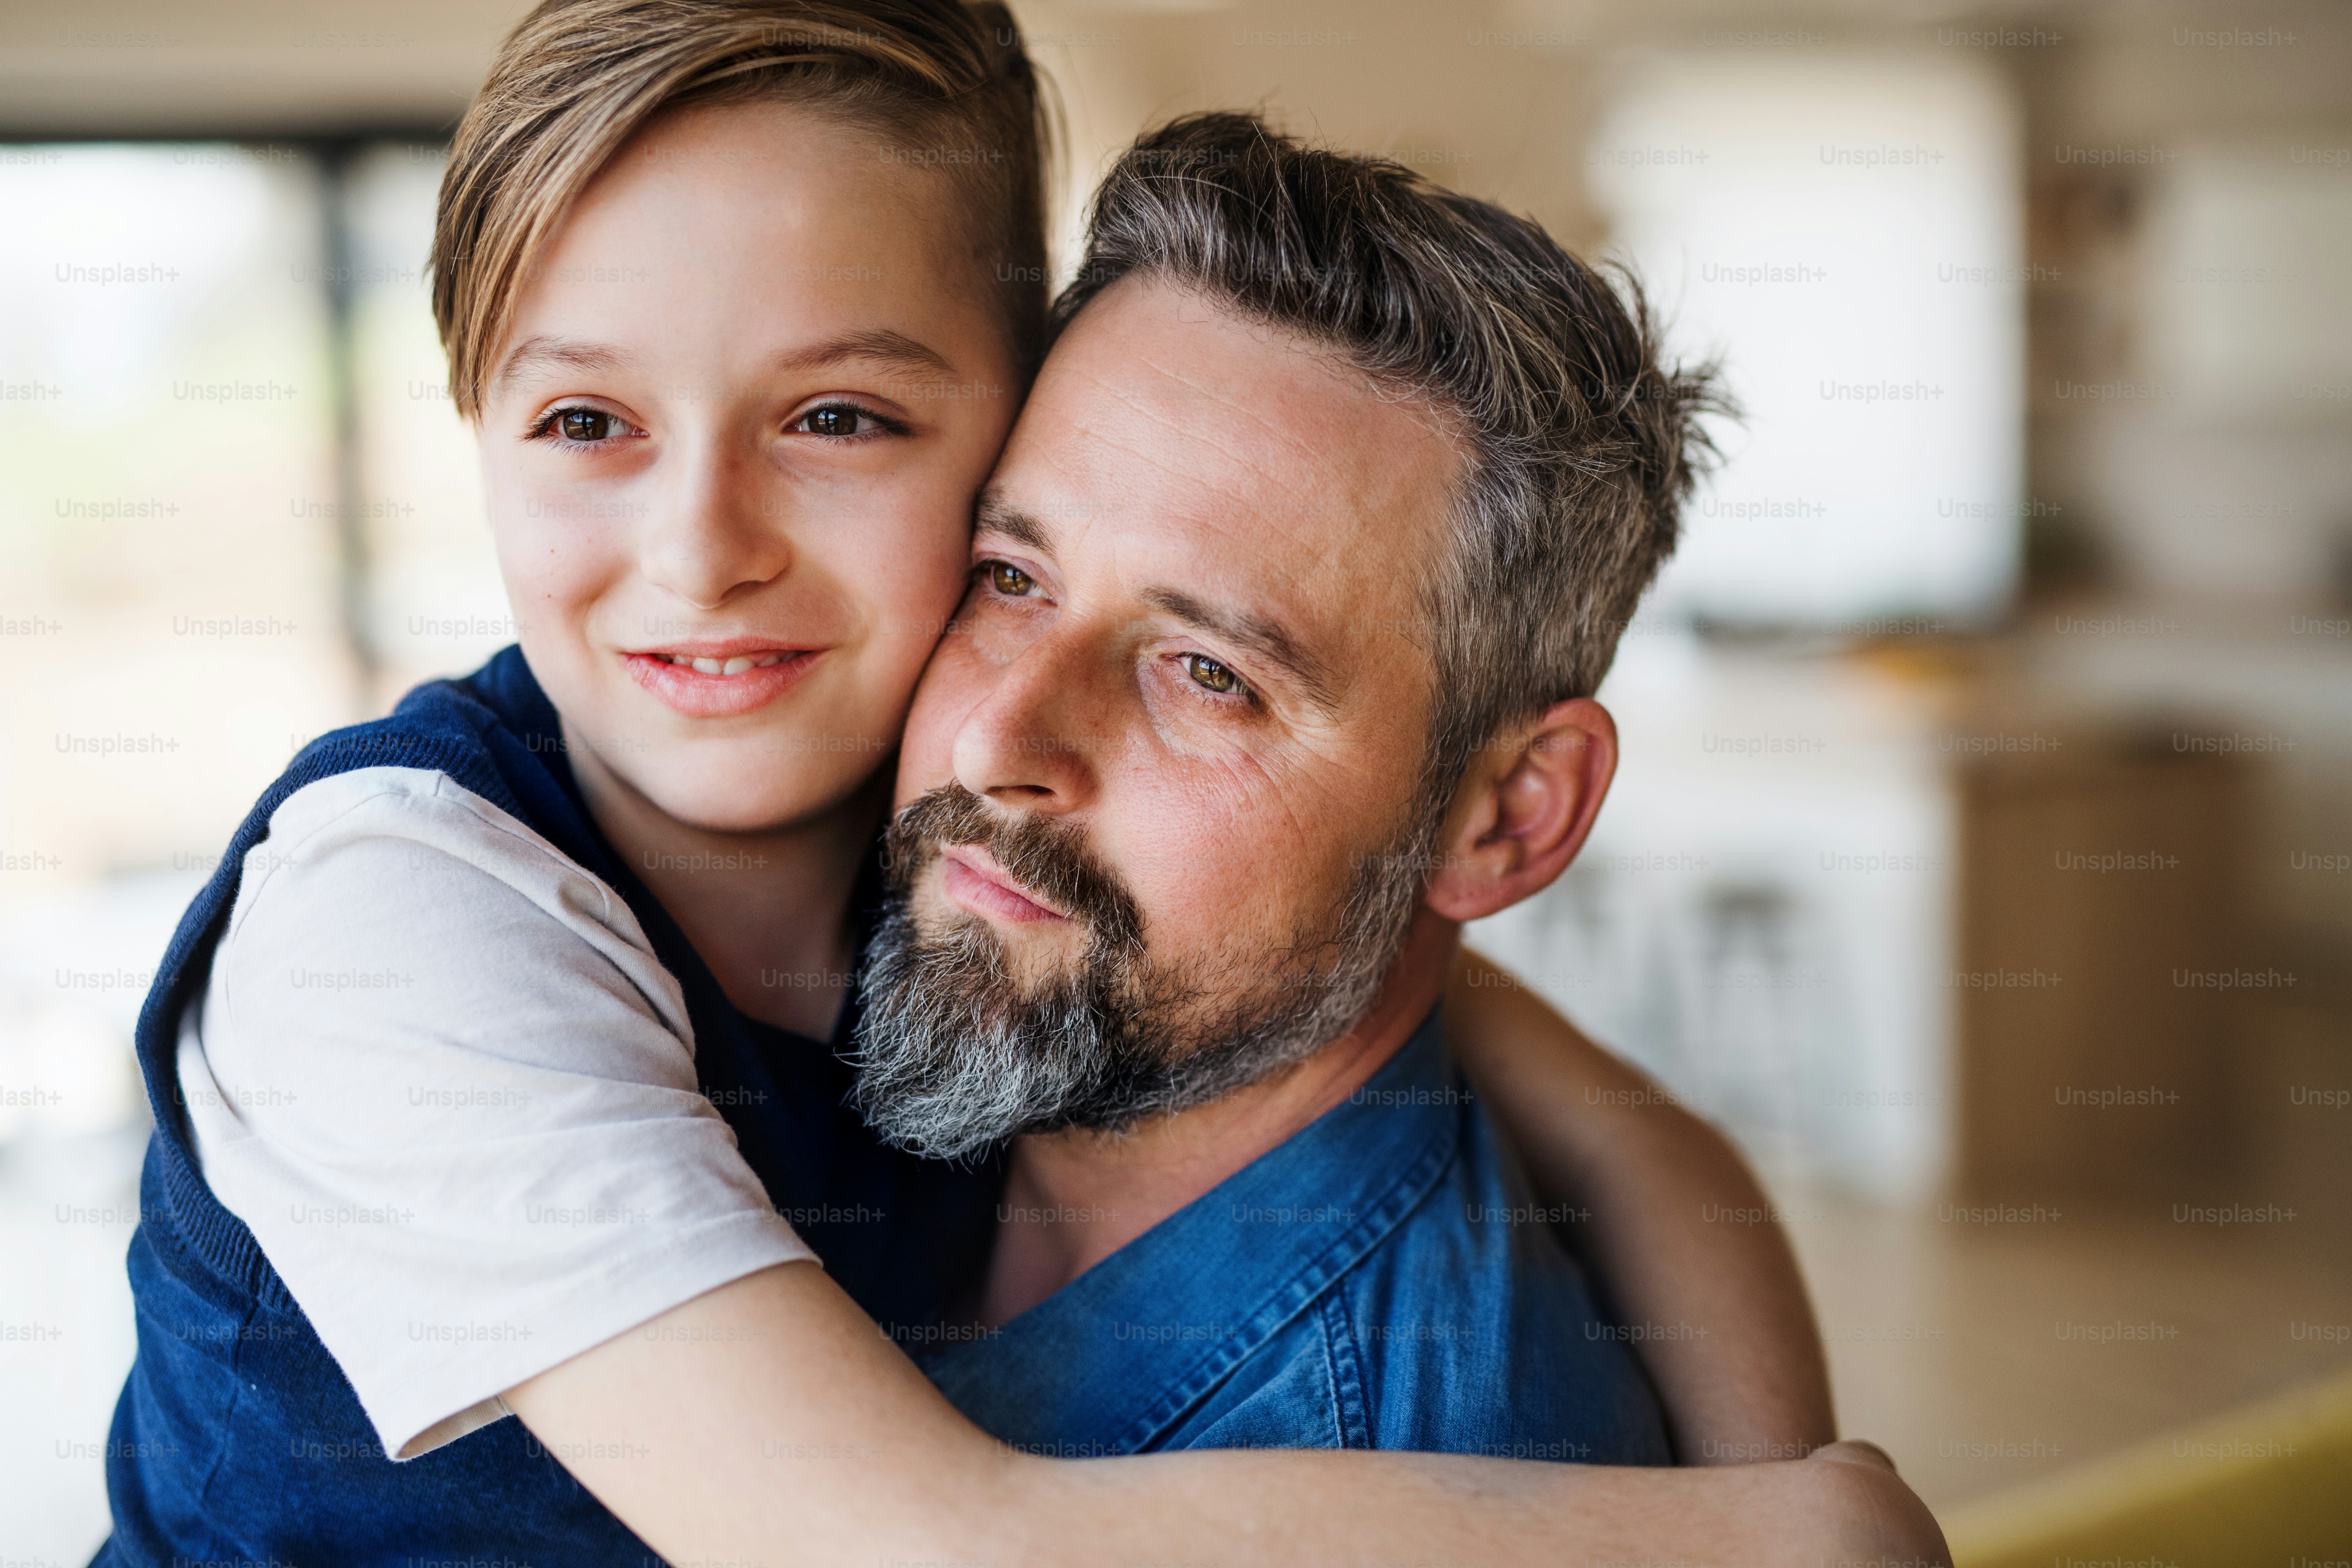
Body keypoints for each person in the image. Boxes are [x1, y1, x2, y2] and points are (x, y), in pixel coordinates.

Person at [96, 2, 1929, 1563]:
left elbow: (1627, 1130)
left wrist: (1789, 1496)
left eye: (1208, 671)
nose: (699, 548)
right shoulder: (427, 922)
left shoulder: (956, 855)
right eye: (1017, 578)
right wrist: (1775, 1522)